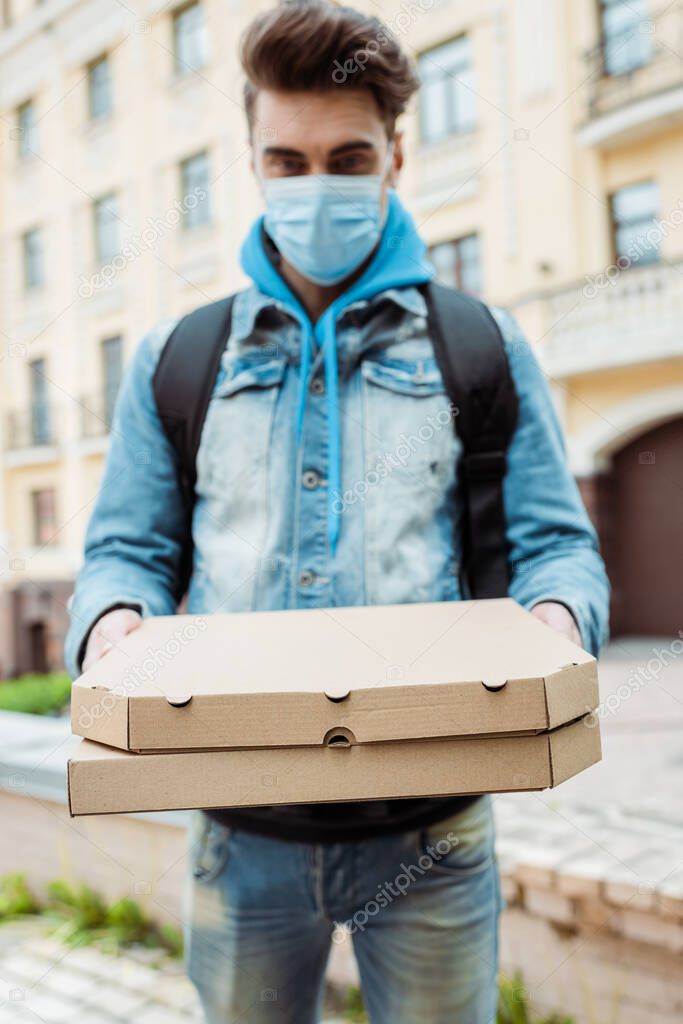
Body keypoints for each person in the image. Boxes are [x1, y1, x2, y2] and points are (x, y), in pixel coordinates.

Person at [65, 2, 610, 1021]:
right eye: (287, 159)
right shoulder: (177, 358)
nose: (315, 184)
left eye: (347, 157)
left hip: (434, 827)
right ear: (252, 160)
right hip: (239, 831)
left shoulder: (477, 345)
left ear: (395, 157)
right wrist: (115, 628)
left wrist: (550, 628)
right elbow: (126, 549)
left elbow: (553, 545)